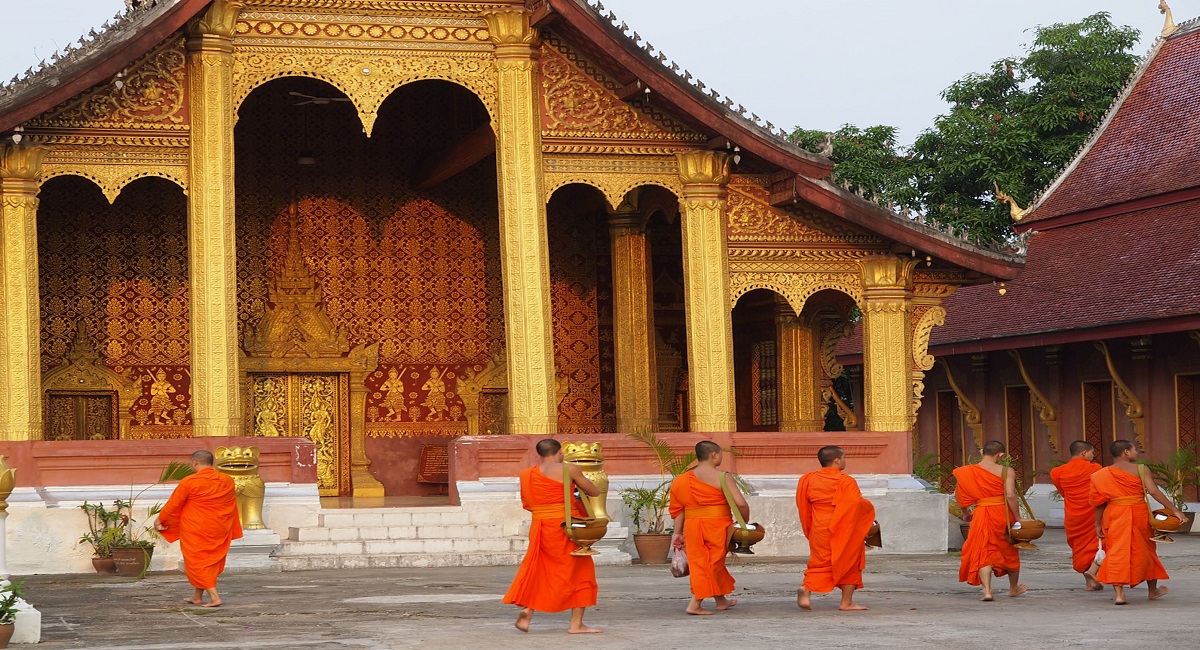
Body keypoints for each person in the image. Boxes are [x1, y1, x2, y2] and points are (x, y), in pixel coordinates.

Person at [502, 438, 602, 634]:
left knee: (541, 570)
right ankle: (576, 624)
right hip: (565, 527)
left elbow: (528, 503)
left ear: (539, 454)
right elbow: (594, 491)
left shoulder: (526, 474)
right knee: (580, 571)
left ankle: (528, 612)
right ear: (560, 452)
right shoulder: (569, 469)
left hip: (540, 526)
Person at [1089, 439, 1186, 606]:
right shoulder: (1140, 469)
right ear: (1126, 452)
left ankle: (1119, 594)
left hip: (1115, 514)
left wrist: (1097, 524)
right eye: (1134, 449)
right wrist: (1174, 510)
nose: (1137, 452)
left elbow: (1100, 502)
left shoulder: (1100, 475)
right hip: (1138, 513)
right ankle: (1152, 590)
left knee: (1116, 551)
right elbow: (1154, 492)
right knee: (1146, 550)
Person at [669, 440, 749, 615]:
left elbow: (678, 509)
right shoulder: (723, 477)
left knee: (703, 562)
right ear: (714, 455)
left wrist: (677, 533)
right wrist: (744, 523)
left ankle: (721, 600)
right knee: (712, 563)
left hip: (692, 526)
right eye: (720, 454)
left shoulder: (681, 480)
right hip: (717, 525)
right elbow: (741, 504)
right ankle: (695, 603)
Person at [155, 450, 243, 607]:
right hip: (220, 527)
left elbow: (174, 504)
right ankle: (197, 596)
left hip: (197, 527)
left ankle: (215, 597)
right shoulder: (227, 480)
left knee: (197, 562)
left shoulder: (189, 482)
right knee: (208, 561)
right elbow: (230, 503)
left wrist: (160, 519)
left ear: (195, 463)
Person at [796, 445, 875, 611]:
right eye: (844, 458)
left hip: (819, 526)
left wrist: (810, 527)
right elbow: (856, 504)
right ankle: (846, 602)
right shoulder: (846, 481)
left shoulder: (808, 479)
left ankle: (807, 588)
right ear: (837, 460)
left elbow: (803, 505)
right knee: (850, 560)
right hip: (843, 527)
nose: (845, 461)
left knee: (820, 561)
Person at [952, 440, 1026, 601]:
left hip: (981, 514)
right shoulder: (1006, 471)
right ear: (1000, 455)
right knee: (1010, 550)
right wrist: (1018, 517)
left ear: (981, 452)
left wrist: (965, 513)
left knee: (983, 551)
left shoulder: (967, 471)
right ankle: (1013, 588)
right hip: (1002, 513)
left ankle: (987, 590)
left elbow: (961, 496)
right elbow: (1010, 495)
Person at [1049, 440, 1104, 590]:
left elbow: (1063, 492)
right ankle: (1093, 571)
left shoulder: (1057, 472)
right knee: (1099, 544)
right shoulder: (1095, 468)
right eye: (1092, 453)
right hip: (1092, 514)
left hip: (1073, 515)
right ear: (1084, 453)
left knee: (1080, 547)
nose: (1093, 456)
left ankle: (1090, 583)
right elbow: (1100, 490)